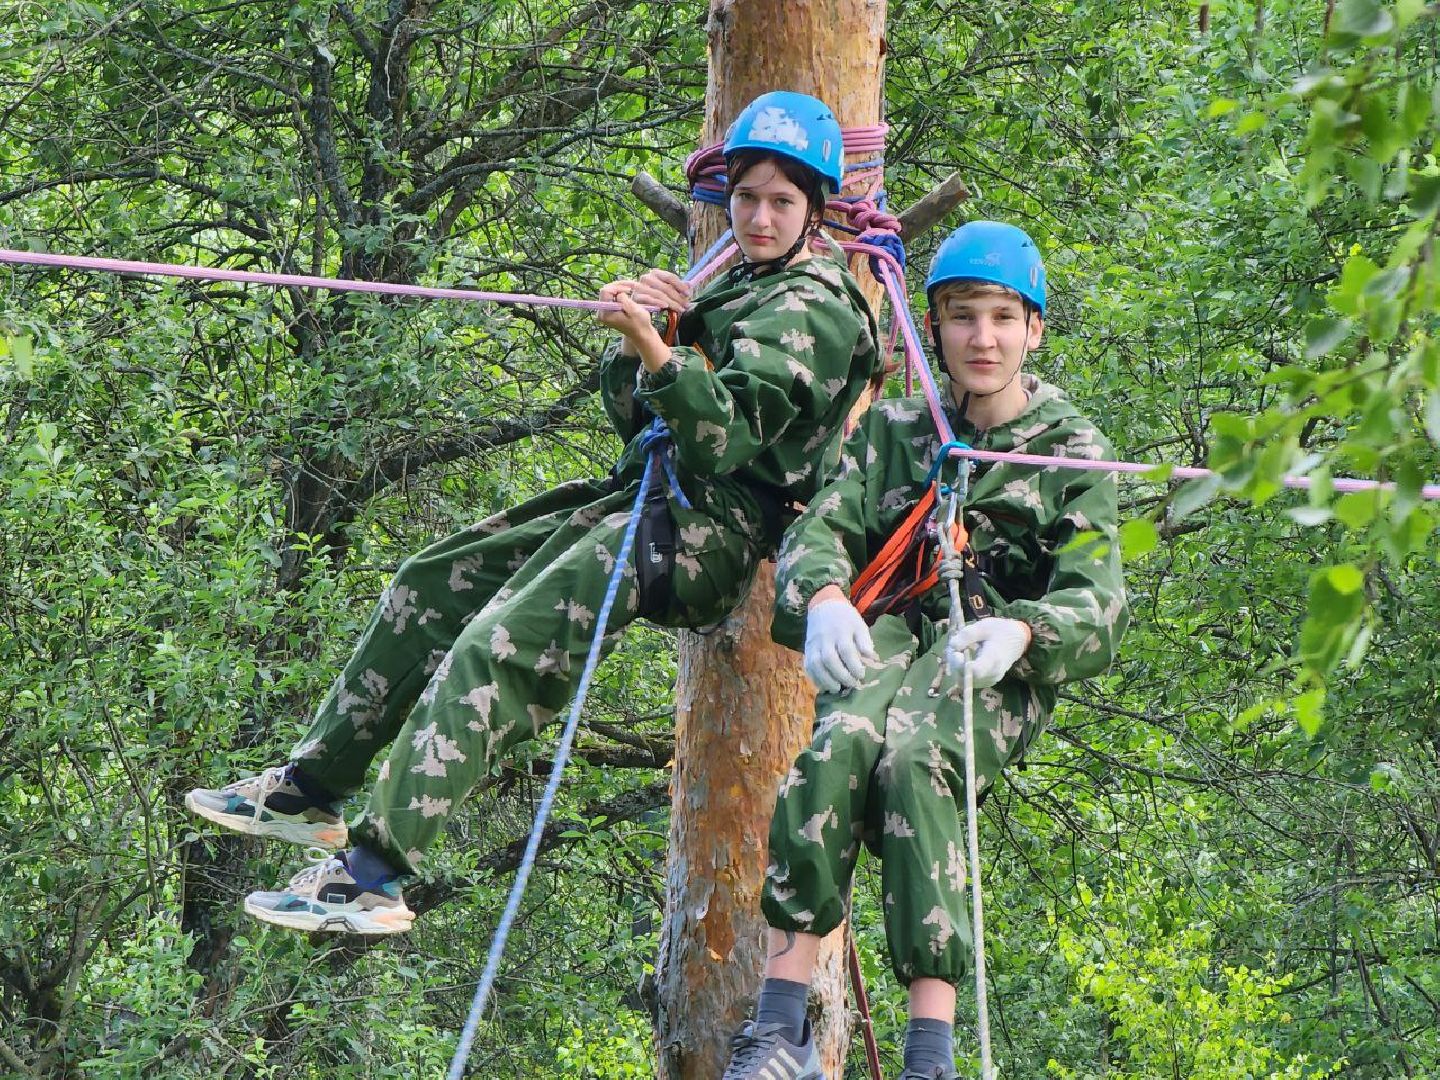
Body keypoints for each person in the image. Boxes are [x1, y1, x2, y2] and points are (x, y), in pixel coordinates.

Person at [185, 90, 882, 936]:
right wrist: (649, 341)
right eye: (745, 198)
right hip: (649, 496)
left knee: (497, 648)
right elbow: (640, 416)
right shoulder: (741, 279)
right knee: (431, 584)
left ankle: (372, 874)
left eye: (780, 202)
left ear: (813, 210)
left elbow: (724, 439)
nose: (759, 217)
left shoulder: (815, 302)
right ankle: (312, 787)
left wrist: (661, 344)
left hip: (705, 533)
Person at [720, 221, 1129, 1079]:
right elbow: (821, 528)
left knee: (913, 761)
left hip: (993, 655)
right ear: (934, 329)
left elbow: (1099, 598)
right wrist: (826, 597)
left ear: (1034, 329)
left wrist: (1026, 631)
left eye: (1002, 319)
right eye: (962, 318)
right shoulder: (897, 431)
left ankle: (930, 1053)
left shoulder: (1070, 450)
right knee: (840, 746)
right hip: (895, 631)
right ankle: (780, 1024)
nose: (983, 338)